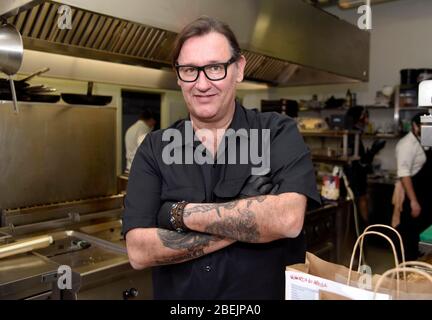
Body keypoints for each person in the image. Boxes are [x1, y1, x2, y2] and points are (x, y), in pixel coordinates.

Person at [122, 16, 320, 300]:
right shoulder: (154, 148)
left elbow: (287, 220)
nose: (202, 84)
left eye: (215, 68)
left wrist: (178, 213)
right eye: (190, 70)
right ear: (178, 76)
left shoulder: (276, 131)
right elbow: (139, 252)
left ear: (238, 69)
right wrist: (247, 215)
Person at [394, 112, 432, 260]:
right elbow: (404, 174)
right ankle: (407, 272)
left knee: (423, 236)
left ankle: (422, 271)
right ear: (415, 126)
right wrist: (413, 201)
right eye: (426, 126)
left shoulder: (424, 141)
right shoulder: (406, 144)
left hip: (425, 196)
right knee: (409, 237)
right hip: (413, 197)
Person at [344, 106, 385, 227]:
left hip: (357, 176)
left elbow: (360, 160)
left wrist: (371, 152)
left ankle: (363, 230)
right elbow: (359, 161)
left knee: (362, 200)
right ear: (358, 118)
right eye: (365, 117)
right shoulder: (352, 134)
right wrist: (372, 152)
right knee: (361, 201)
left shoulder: (355, 134)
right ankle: (364, 231)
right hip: (354, 177)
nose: (367, 121)